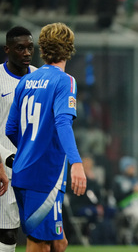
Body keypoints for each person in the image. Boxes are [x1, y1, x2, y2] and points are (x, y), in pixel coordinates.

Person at [5, 22, 87, 252]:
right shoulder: (65, 81)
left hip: (23, 173)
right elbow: (63, 122)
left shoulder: (26, 81)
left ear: (42, 48)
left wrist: (29, 148)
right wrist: (77, 163)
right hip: (44, 177)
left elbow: (11, 128)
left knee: (59, 243)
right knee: (39, 245)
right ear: (69, 48)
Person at [0, 26, 37, 252]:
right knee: (7, 232)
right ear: (8, 50)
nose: (26, 53)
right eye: (20, 48)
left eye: (30, 47)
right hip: (6, 166)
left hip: (35, 168)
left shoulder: (40, 77)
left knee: (40, 233)